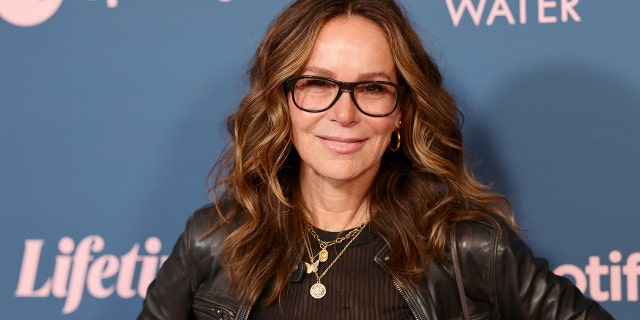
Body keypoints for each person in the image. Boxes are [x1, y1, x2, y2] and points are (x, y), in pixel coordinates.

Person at [138, 0, 613, 319]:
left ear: (401, 114)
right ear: (282, 103)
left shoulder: (469, 249)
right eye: (317, 84)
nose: (344, 114)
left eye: (371, 88)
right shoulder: (212, 240)